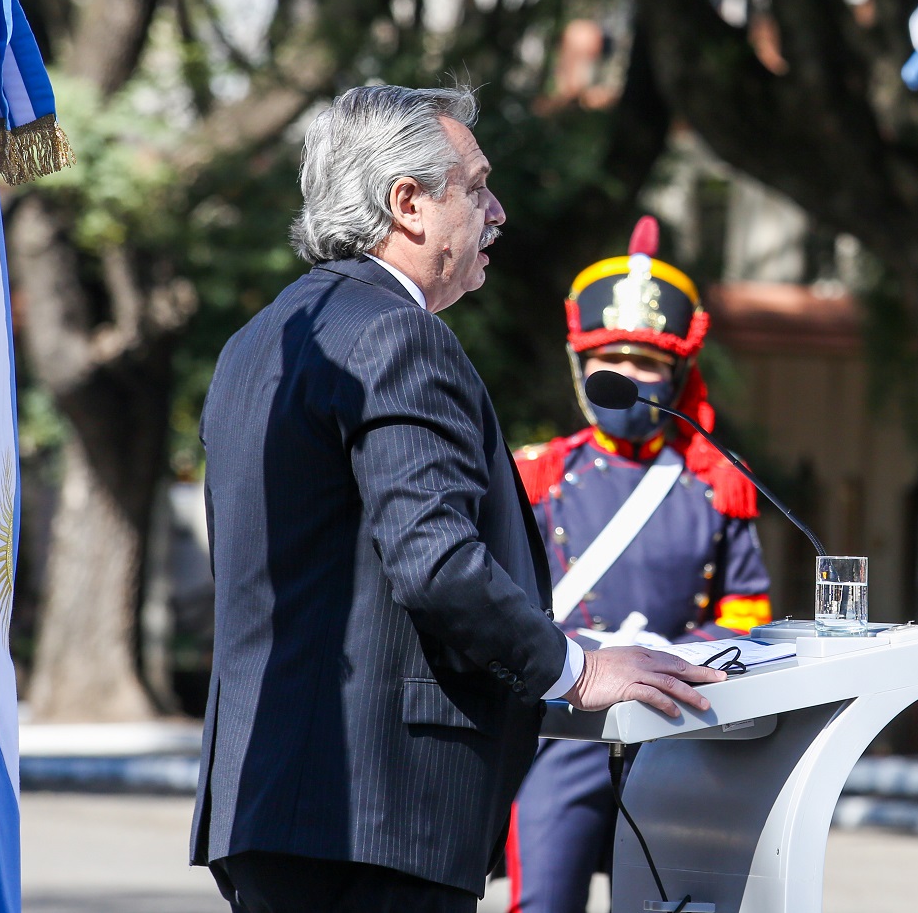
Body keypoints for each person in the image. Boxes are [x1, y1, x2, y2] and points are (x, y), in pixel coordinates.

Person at [191, 85, 726, 913]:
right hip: (378, 809)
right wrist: (578, 669)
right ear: (407, 204)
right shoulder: (398, 333)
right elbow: (435, 562)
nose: (498, 210)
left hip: (268, 799)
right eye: (475, 188)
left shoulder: (258, 339)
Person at [505, 217, 772, 912]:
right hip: (563, 728)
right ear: (580, 365)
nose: (628, 375)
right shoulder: (537, 476)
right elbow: (501, 602)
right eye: (611, 357)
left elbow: (746, 611)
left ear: (677, 373)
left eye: (647, 361)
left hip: (677, 732)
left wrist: (676, 655)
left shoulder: (720, 483)